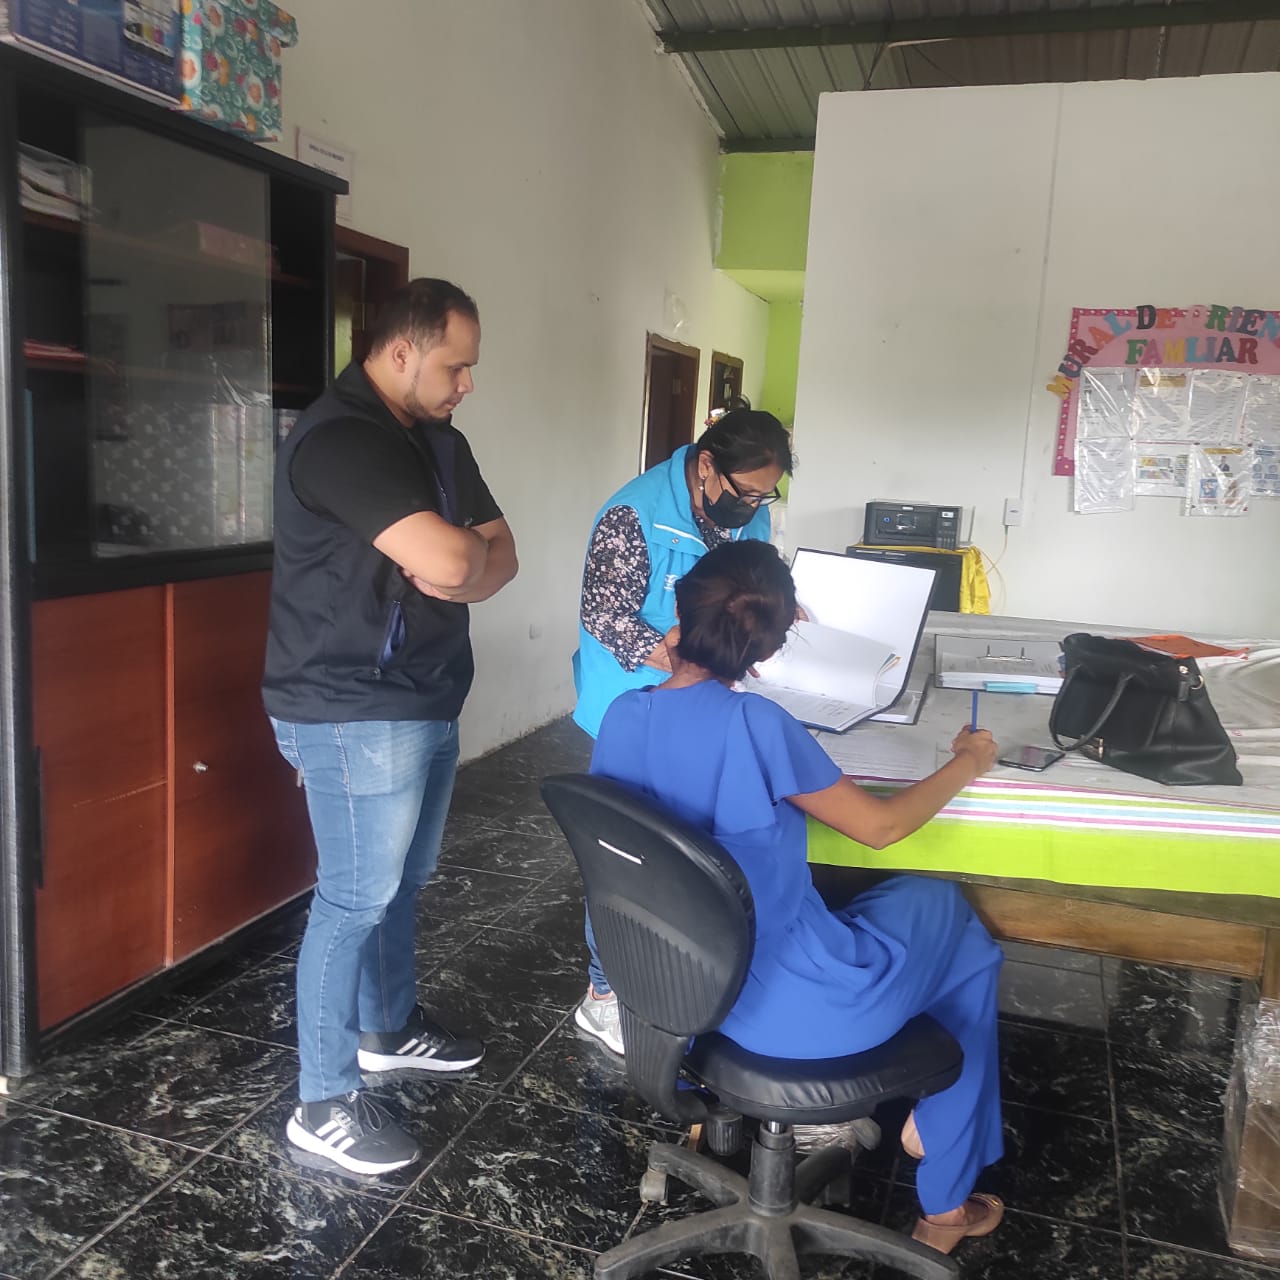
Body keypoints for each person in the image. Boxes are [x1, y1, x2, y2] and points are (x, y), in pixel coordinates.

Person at [590, 540, 1006, 1256]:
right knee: (953, 923)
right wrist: (968, 762)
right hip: (794, 1015)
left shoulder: (623, 715)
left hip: (668, 998)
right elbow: (880, 828)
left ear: (679, 614)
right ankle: (943, 1193)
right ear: (768, 648)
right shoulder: (757, 724)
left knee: (892, 907)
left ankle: (734, 1124)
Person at [262, 278, 518, 1176]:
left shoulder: (439, 440)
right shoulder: (341, 441)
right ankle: (322, 1101)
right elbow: (456, 553)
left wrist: (462, 563)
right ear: (402, 352)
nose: (467, 384)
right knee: (352, 900)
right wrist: (460, 558)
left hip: (428, 691)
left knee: (405, 879)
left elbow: (502, 556)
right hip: (350, 706)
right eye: (456, 366)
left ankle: (387, 1027)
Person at [571, 409, 793, 1053]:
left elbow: (749, 581)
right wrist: (698, 660)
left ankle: (688, 979)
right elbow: (605, 615)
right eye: (745, 492)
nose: (753, 507)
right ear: (707, 465)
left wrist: (772, 613)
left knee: (693, 849)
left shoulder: (749, 513)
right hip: (636, 703)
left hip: (707, 698)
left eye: (765, 496)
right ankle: (604, 994)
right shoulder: (633, 514)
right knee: (626, 854)